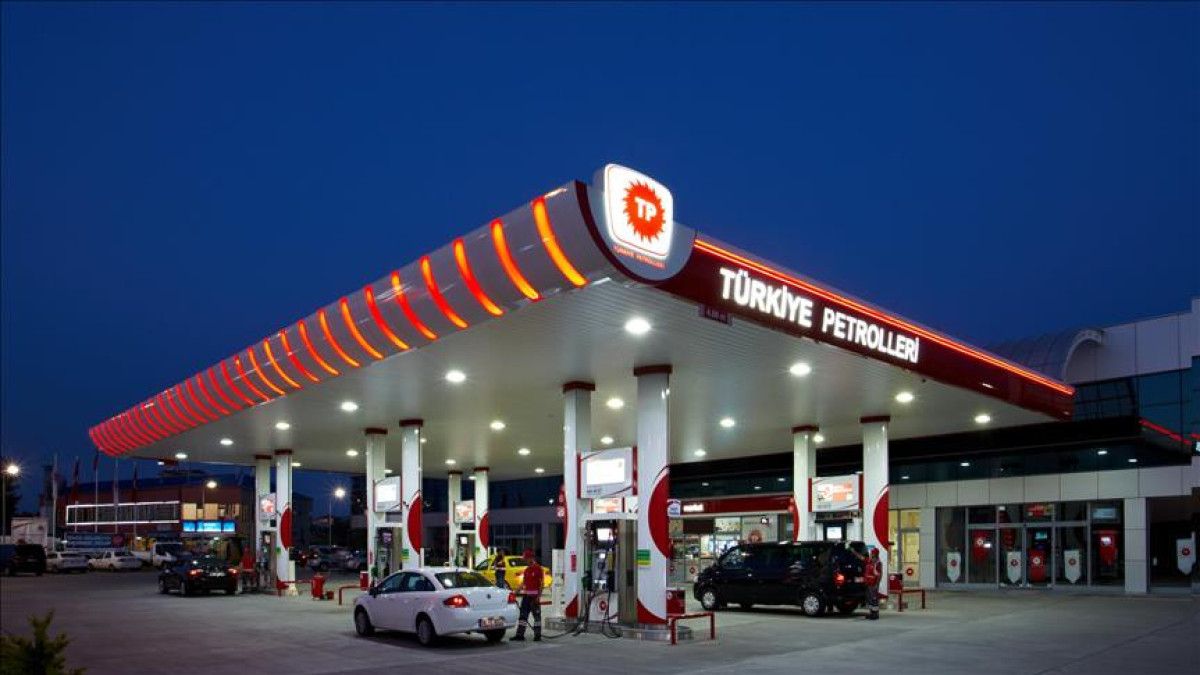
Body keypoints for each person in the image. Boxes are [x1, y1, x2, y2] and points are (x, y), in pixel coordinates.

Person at [510, 549, 544, 642]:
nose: (525, 560)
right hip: (526, 597)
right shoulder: (527, 570)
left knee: (537, 617)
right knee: (523, 616)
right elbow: (523, 583)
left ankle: (537, 635)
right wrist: (515, 592)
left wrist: (538, 597)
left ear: (531, 558)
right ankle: (520, 635)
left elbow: (542, 584)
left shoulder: (538, 569)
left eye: (526, 558)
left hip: (534, 597)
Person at [863, 547, 882, 620]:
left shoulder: (878, 563)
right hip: (869, 583)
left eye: (872, 553)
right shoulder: (870, 561)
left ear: (875, 554)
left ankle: (875, 614)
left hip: (874, 584)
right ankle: (871, 613)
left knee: (874, 599)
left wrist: (877, 584)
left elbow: (879, 574)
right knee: (870, 599)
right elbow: (862, 558)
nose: (870, 554)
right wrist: (854, 552)